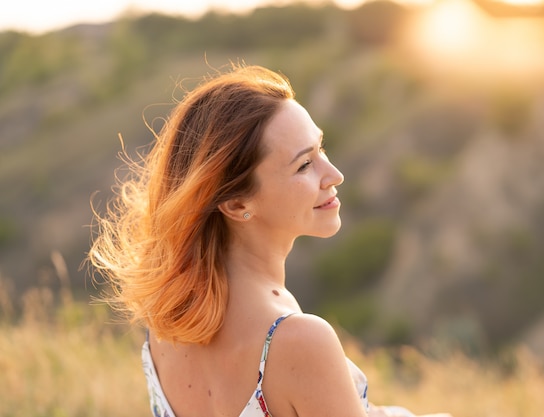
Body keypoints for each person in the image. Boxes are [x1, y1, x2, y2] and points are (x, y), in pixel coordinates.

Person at [89, 64, 450, 417]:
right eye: (304, 165)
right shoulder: (297, 342)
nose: (334, 174)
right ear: (236, 203)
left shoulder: (168, 321)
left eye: (320, 149)